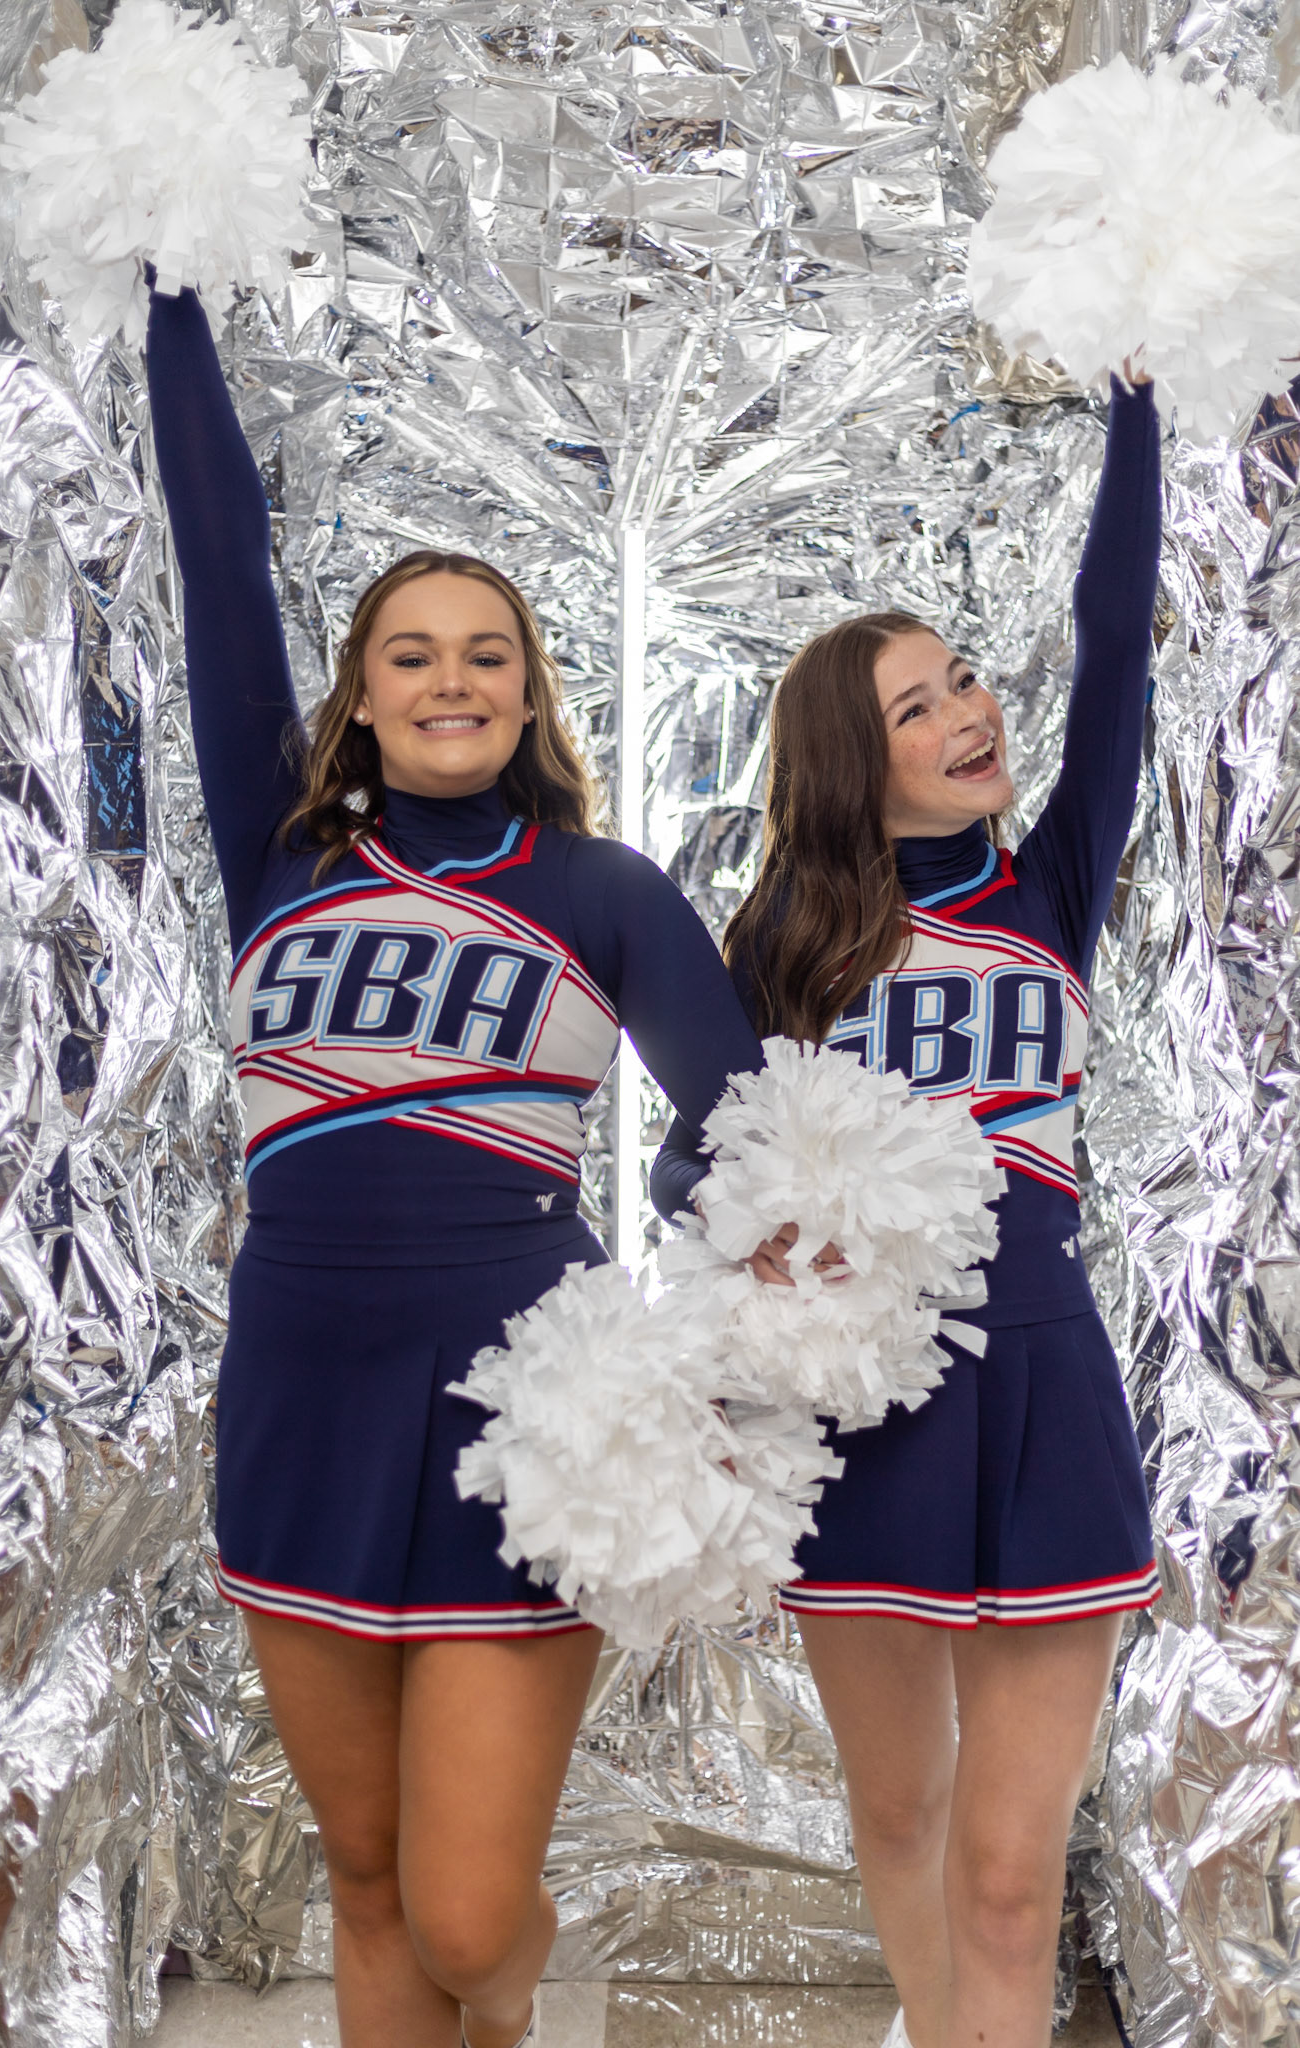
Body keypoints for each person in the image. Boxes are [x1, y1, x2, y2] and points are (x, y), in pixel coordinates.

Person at [144, 282, 766, 2048]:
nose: (448, 678)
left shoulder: (601, 891)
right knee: (363, 1878)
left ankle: (499, 2016)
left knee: (467, 1912)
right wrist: (175, 294)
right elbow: (217, 565)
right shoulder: (280, 857)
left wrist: (696, 1345)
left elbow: (730, 1149)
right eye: (408, 652)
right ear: (354, 697)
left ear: (529, 692)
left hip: (524, 1423)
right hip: (301, 1394)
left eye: (485, 652)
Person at [651, 372, 1162, 2048]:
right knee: (897, 1823)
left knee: (1013, 1879)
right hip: (863, 1408)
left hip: (1042, 1383)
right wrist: (777, 1232)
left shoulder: (1051, 883)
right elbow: (691, 1159)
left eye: (961, 680)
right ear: (847, 766)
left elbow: (1114, 655)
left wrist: (1136, 414)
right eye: (917, 708)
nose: (966, 714)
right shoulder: (788, 942)